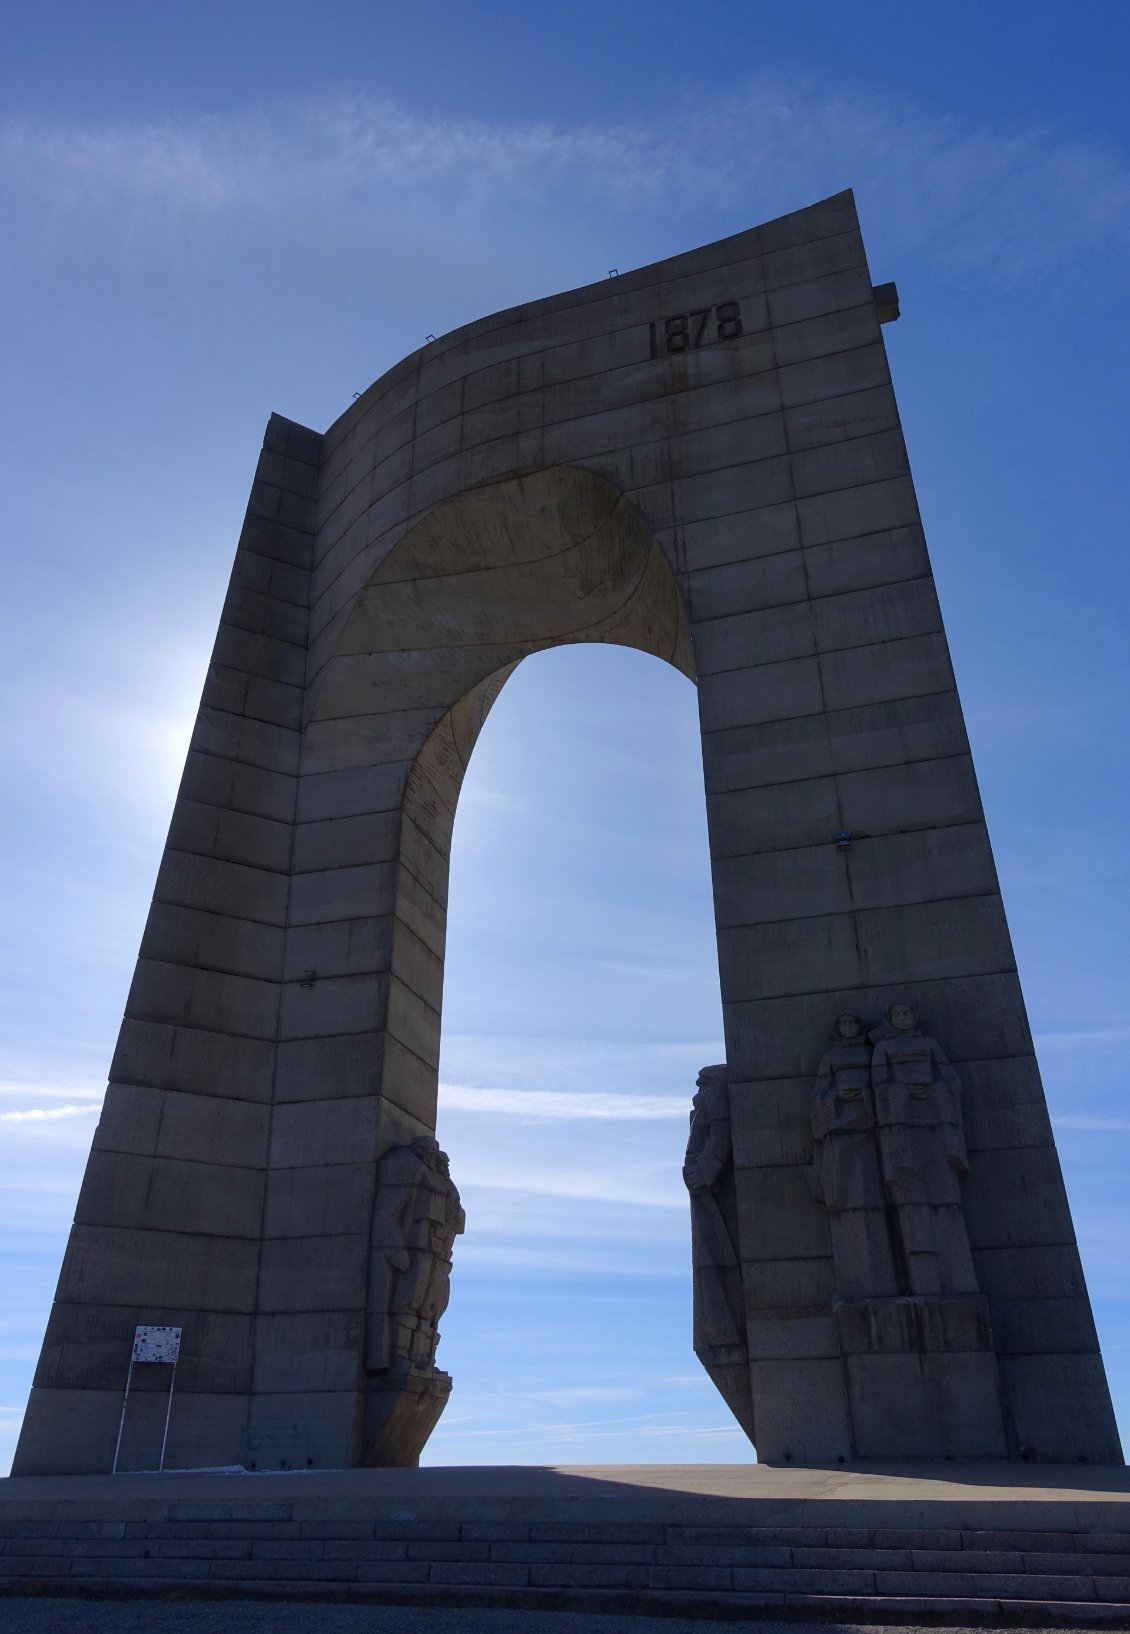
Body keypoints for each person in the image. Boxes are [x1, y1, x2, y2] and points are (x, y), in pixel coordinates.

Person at [870, 1003, 977, 1295]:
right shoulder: (884, 1050)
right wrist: (900, 1090)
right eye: (897, 1015)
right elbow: (880, 1084)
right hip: (902, 1127)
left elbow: (950, 1078)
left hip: (936, 1124)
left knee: (946, 1198)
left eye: (907, 1014)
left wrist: (936, 1089)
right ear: (890, 1020)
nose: (903, 1019)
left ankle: (957, 1274)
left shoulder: (929, 1044)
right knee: (911, 1200)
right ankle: (923, 1278)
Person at [811, 1014, 898, 1297]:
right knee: (846, 1189)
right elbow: (820, 1093)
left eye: (852, 1024)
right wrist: (836, 1097)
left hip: (867, 1121)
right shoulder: (831, 1057)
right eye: (843, 1024)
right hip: (840, 1125)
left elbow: (883, 1082)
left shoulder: (869, 1053)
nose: (848, 1028)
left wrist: (864, 1095)